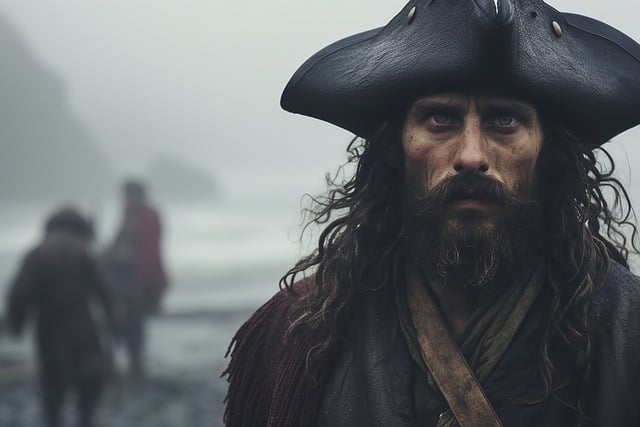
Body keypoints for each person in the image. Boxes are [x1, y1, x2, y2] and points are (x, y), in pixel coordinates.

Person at [223, 1, 640, 426]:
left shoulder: (629, 333)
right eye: (440, 118)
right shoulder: (296, 334)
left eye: (504, 120)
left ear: (548, 152)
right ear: (395, 147)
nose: (471, 156)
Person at [6, 206, 114, 427]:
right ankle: (85, 419)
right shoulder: (84, 251)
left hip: (49, 328)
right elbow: (105, 290)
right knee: (89, 380)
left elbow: (20, 293)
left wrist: (17, 324)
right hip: (83, 326)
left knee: (53, 386)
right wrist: (113, 321)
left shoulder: (36, 253)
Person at [106, 179, 168, 377]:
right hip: (126, 280)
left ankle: (135, 363)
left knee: (134, 322)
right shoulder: (131, 216)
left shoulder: (146, 216)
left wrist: (142, 284)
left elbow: (146, 252)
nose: (127, 200)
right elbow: (118, 247)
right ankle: (129, 362)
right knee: (125, 322)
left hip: (137, 279)